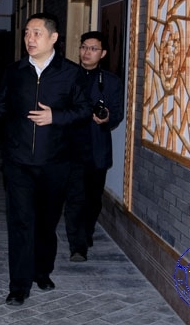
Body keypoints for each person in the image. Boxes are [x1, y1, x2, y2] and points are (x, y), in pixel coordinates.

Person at [0, 13, 92, 306]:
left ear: (53, 38)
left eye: (37, 33)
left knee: (45, 224)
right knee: (20, 223)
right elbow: (0, 105)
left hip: (56, 162)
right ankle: (18, 285)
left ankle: (42, 271)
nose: (30, 38)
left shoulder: (71, 73)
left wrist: (56, 116)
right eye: (28, 33)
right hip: (18, 162)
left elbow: (84, 110)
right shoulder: (15, 72)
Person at [64, 31, 124, 262]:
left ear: (103, 53)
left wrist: (107, 118)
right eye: (84, 47)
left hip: (96, 148)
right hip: (70, 148)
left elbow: (117, 114)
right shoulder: (67, 76)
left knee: (93, 199)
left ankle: (85, 232)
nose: (87, 52)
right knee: (74, 198)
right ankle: (77, 246)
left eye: (93, 49)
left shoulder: (111, 82)